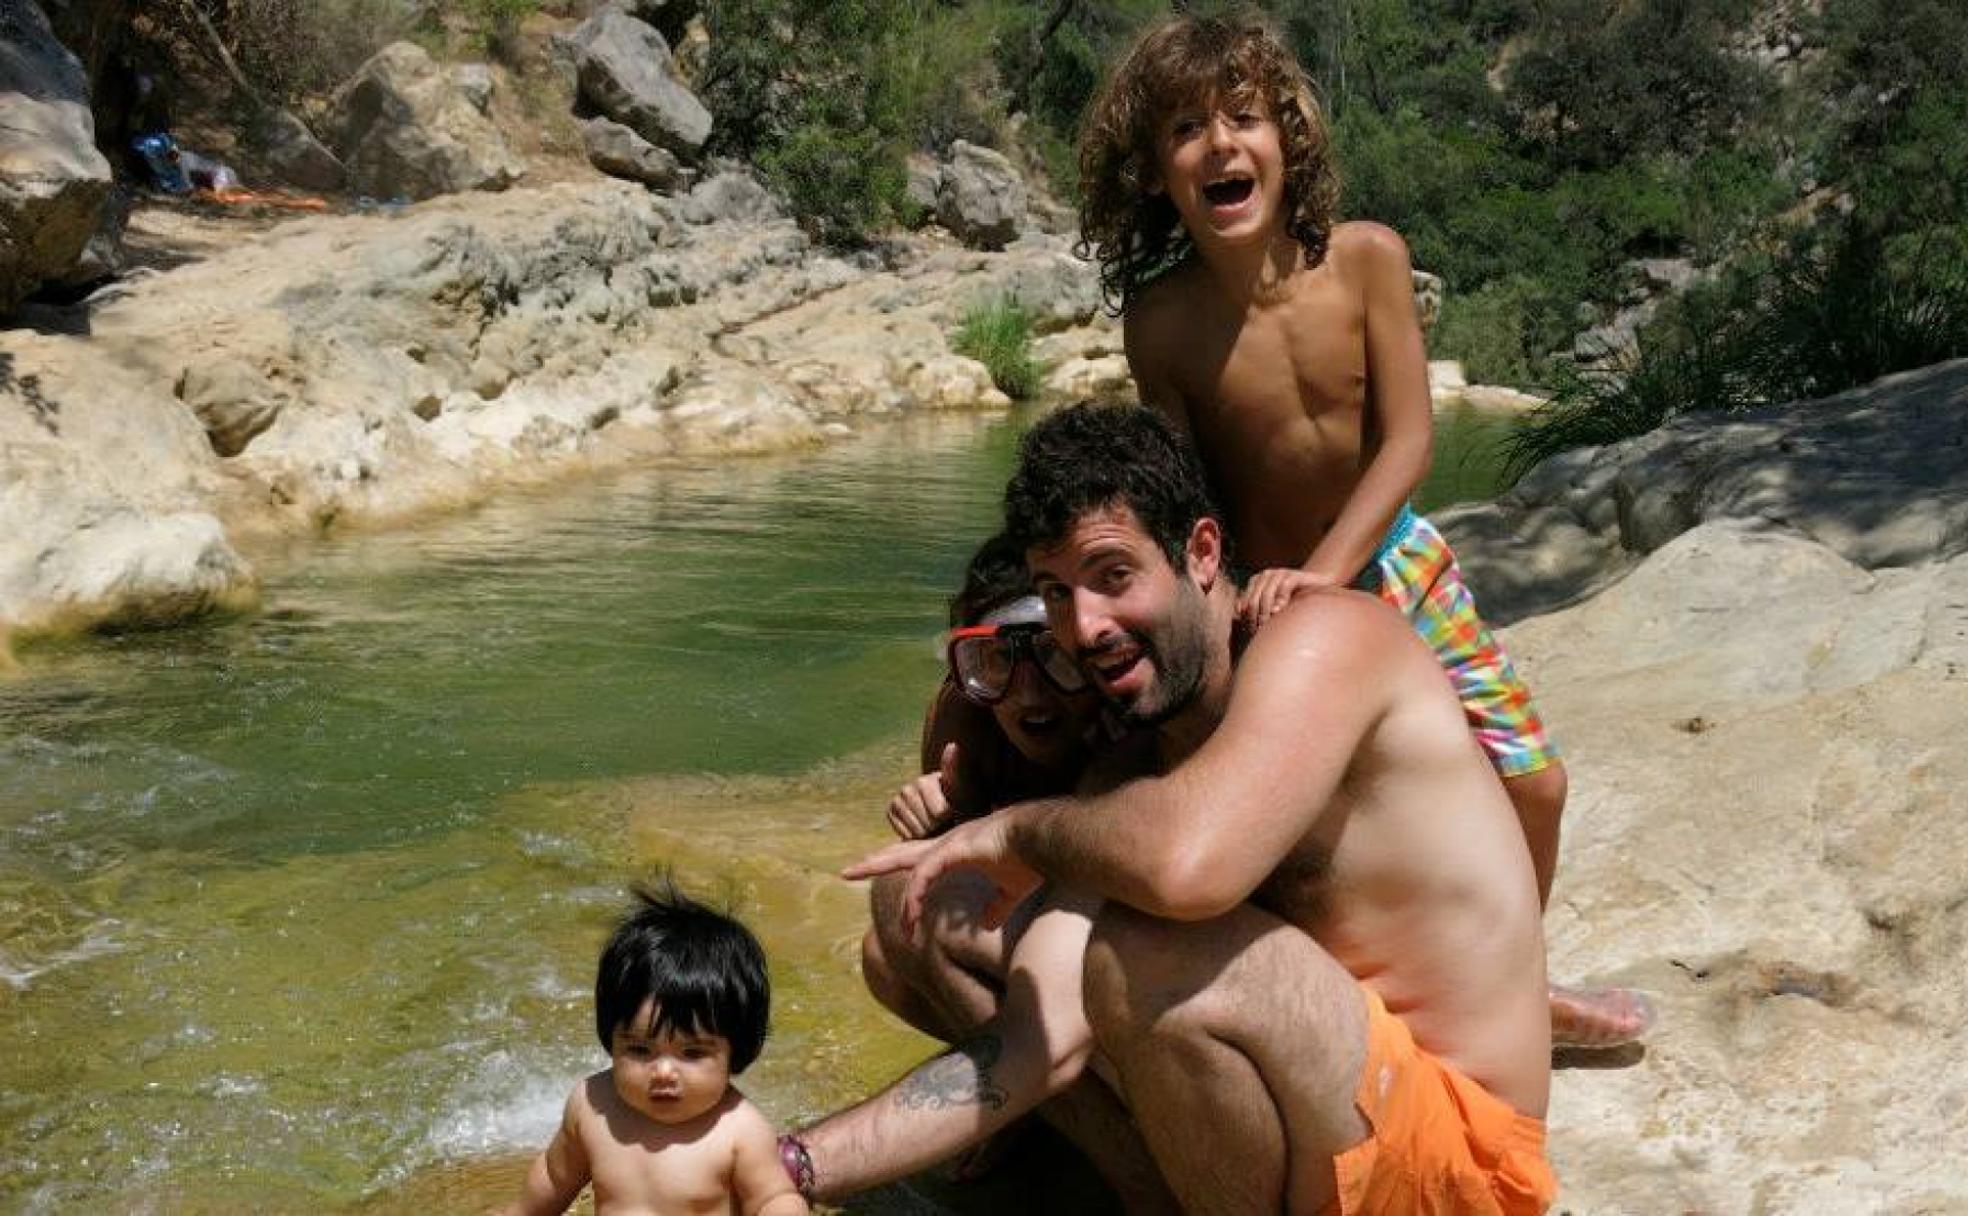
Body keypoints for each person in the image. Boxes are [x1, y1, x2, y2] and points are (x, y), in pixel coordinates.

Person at [1078, 9, 1649, 1048]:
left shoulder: (1368, 259)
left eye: (1243, 117)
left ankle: (1516, 982)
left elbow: (1410, 441)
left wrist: (1331, 571)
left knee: (1535, 782)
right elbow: (1180, 488)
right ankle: (1364, 1008)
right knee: (1327, 828)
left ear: (1288, 139)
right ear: (1155, 175)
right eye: (1186, 130)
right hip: (1265, 597)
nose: (1219, 145)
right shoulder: (1161, 320)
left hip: (1395, 563)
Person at [841, 403, 1557, 1213]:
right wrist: (789, 1165)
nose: (1086, 627)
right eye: (1058, 595)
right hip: (1331, 1105)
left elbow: (1187, 872)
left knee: (1144, 952)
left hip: (1455, 1161)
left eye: (1113, 576)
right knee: (922, 900)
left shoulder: (1323, 640)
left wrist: (1015, 830)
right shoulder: (1146, 742)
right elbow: (1035, 1044)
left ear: (1203, 552)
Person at [505, 883, 807, 1216]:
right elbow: (554, 1176)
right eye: (639, 1049)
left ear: (735, 1051)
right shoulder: (592, 1106)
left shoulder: (740, 1131)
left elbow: (773, 1198)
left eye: (692, 1053)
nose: (663, 1072)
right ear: (611, 1037)